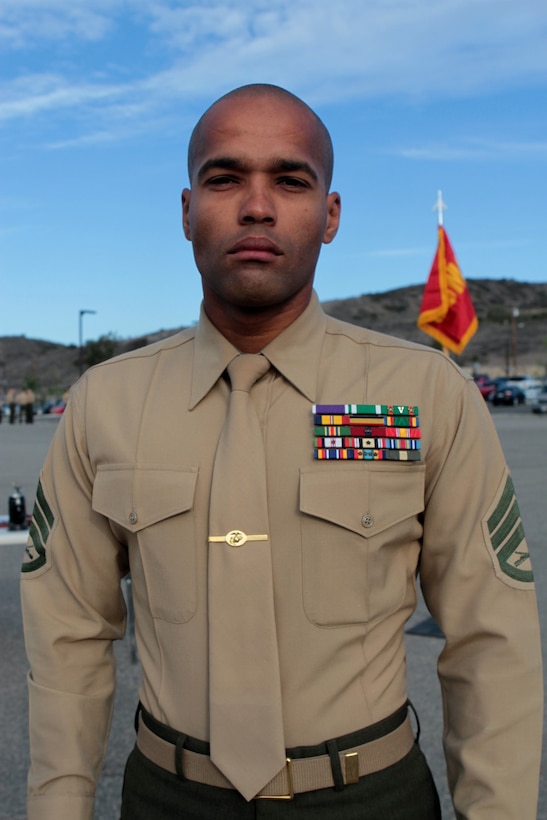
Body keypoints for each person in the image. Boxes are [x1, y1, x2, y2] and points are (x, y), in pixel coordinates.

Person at [21, 84, 542, 820]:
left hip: (371, 801)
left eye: (290, 180)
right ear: (186, 210)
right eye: (225, 178)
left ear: (329, 215)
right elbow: (66, 637)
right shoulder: (106, 403)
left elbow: (490, 637)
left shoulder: (424, 392)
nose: (256, 206)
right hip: (168, 800)